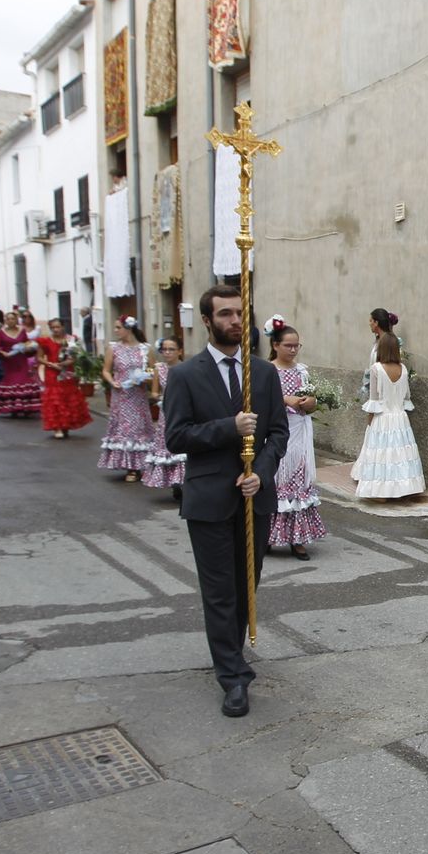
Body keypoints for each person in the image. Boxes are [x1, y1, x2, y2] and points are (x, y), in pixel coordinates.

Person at [163, 284, 288, 718]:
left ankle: (229, 655)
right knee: (220, 593)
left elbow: (277, 434)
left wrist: (262, 472)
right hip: (208, 499)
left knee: (244, 589)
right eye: (225, 314)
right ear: (207, 321)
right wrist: (228, 427)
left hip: (255, 498)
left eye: (240, 313)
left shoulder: (264, 373)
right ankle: (233, 678)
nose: (235, 321)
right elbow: (176, 437)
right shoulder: (184, 375)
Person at [267, 318, 327, 557]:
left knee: (299, 482)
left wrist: (311, 402)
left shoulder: (302, 371)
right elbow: (260, 401)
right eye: (288, 345)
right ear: (275, 345)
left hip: (300, 432)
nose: (292, 350)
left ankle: (297, 537)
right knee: (276, 483)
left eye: (296, 346)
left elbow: (310, 400)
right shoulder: (268, 370)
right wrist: (284, 399)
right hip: (278, 432)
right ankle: (269, 536)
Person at [352, 329, 425, 499]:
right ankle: (404, 489)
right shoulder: (404, 369)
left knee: (381, 454)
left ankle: (380, 493)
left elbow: (374, 399)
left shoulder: (376, 368)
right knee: (400, 454)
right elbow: (407, 397)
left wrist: (369, 420)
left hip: (382, 417)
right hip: (400, 417)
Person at [97, 316, 155, 482]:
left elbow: (153, 371)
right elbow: (106, 370)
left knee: (139, 428)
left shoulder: (145, 349)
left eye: (118, 328)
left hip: (138, 395)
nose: (115, 331)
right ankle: (130, 467)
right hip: (121, 395)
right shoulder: (113, 348)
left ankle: (140, 464)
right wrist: (111, 381)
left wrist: (145, 379)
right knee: (125, 429)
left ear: (128, 328)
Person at [142, 336, 188, 498]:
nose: (167, 353)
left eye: (171, 349)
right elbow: (154, 392)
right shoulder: (159, 369)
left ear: (180, 351)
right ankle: (174, 481)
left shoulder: (186, 368)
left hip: (183, 411)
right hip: (165, 413)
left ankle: (184, 480)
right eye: (164, 350)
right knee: (168, 445)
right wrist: (159, 398)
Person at [36, 318, 92, 439]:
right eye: (53, 328)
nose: (56, 330)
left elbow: (73, 357)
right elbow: (39, 357)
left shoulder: (71, 340)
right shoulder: (45, 341)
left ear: (63, 327)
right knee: (54, 398)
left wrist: (63, 364)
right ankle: (56, 427)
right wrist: (50, 364)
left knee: (67, 397)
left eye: (58, 327)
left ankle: (66, 424)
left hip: (67, 372)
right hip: (51, 372)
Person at [0, 313, 41, 417]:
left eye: (13, 319)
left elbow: (27, 343)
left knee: (23, 381)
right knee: (12, 382)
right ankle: (13, 407)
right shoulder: (0, 333)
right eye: (8, 319)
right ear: (5, 321)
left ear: (16, 320)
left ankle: (27, 407)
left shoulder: (22, 331)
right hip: (9, 362)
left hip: (21, 360)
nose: (11, 321)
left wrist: (29, 348)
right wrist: (2, 353)